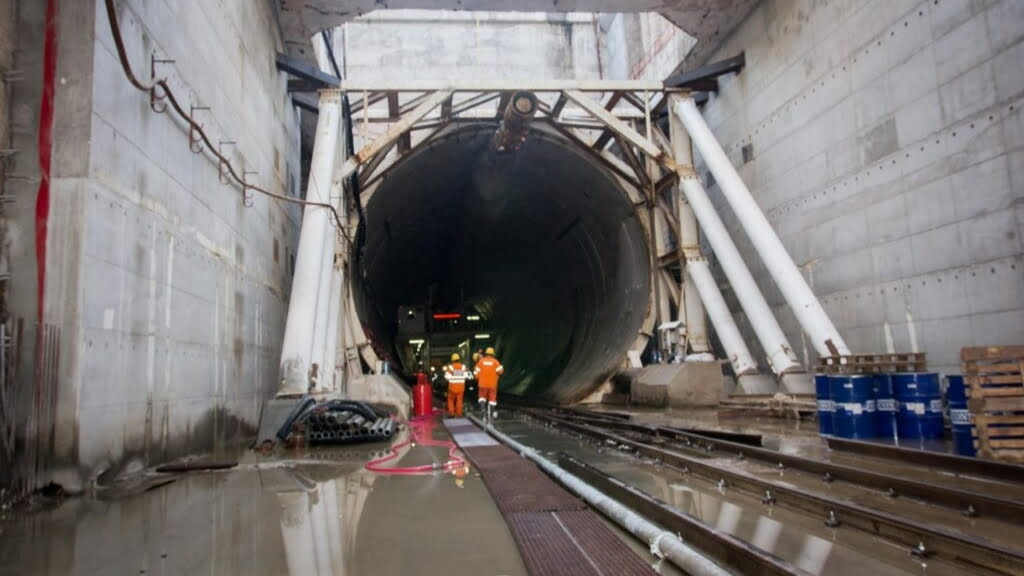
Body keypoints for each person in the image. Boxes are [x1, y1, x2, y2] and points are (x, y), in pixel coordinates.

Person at [473, 347, 504, 421]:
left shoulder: (480, 362)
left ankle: (483, 411)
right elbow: (501, 372)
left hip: (482, 384)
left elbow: (475, 374)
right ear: (493, 354)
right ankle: (491, 414)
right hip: (492, 385)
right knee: (492, 399)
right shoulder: (495, 362)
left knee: (482, 398)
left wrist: (478, 378)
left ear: (486, 353)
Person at [444, 353, 471, 417]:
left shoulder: (450, 367)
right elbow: (466, 376)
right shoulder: (463, 367)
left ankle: (452, 413)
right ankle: (459, 414)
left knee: (450, 400)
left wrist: (453, 375)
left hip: (452, 387)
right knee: (459, 401)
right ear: (459, 359)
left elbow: (447, 377)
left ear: (452, 360)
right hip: (461, 387)